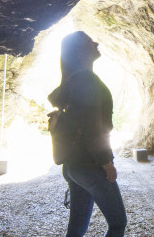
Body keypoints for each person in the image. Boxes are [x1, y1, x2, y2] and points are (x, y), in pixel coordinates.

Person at [47, 31, 127, 237]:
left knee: (76, 229)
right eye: (90, 42)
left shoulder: (73, 80)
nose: (96, 43)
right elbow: (93, 127)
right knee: (118, 223)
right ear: (79, 52)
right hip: (90, 165)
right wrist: (106, 162)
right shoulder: (86, 80)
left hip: (73, 167)